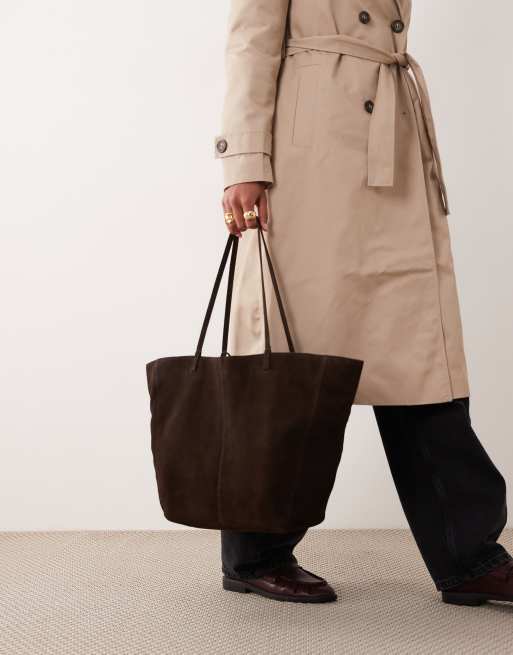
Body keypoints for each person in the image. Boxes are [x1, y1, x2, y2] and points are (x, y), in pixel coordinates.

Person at [215, 0, 512, 605]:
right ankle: (256, 553)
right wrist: (243, 160)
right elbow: (251, 41)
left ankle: (468, 555)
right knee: (294, 358)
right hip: (310, 162)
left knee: (418, 355)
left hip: (392, 142)